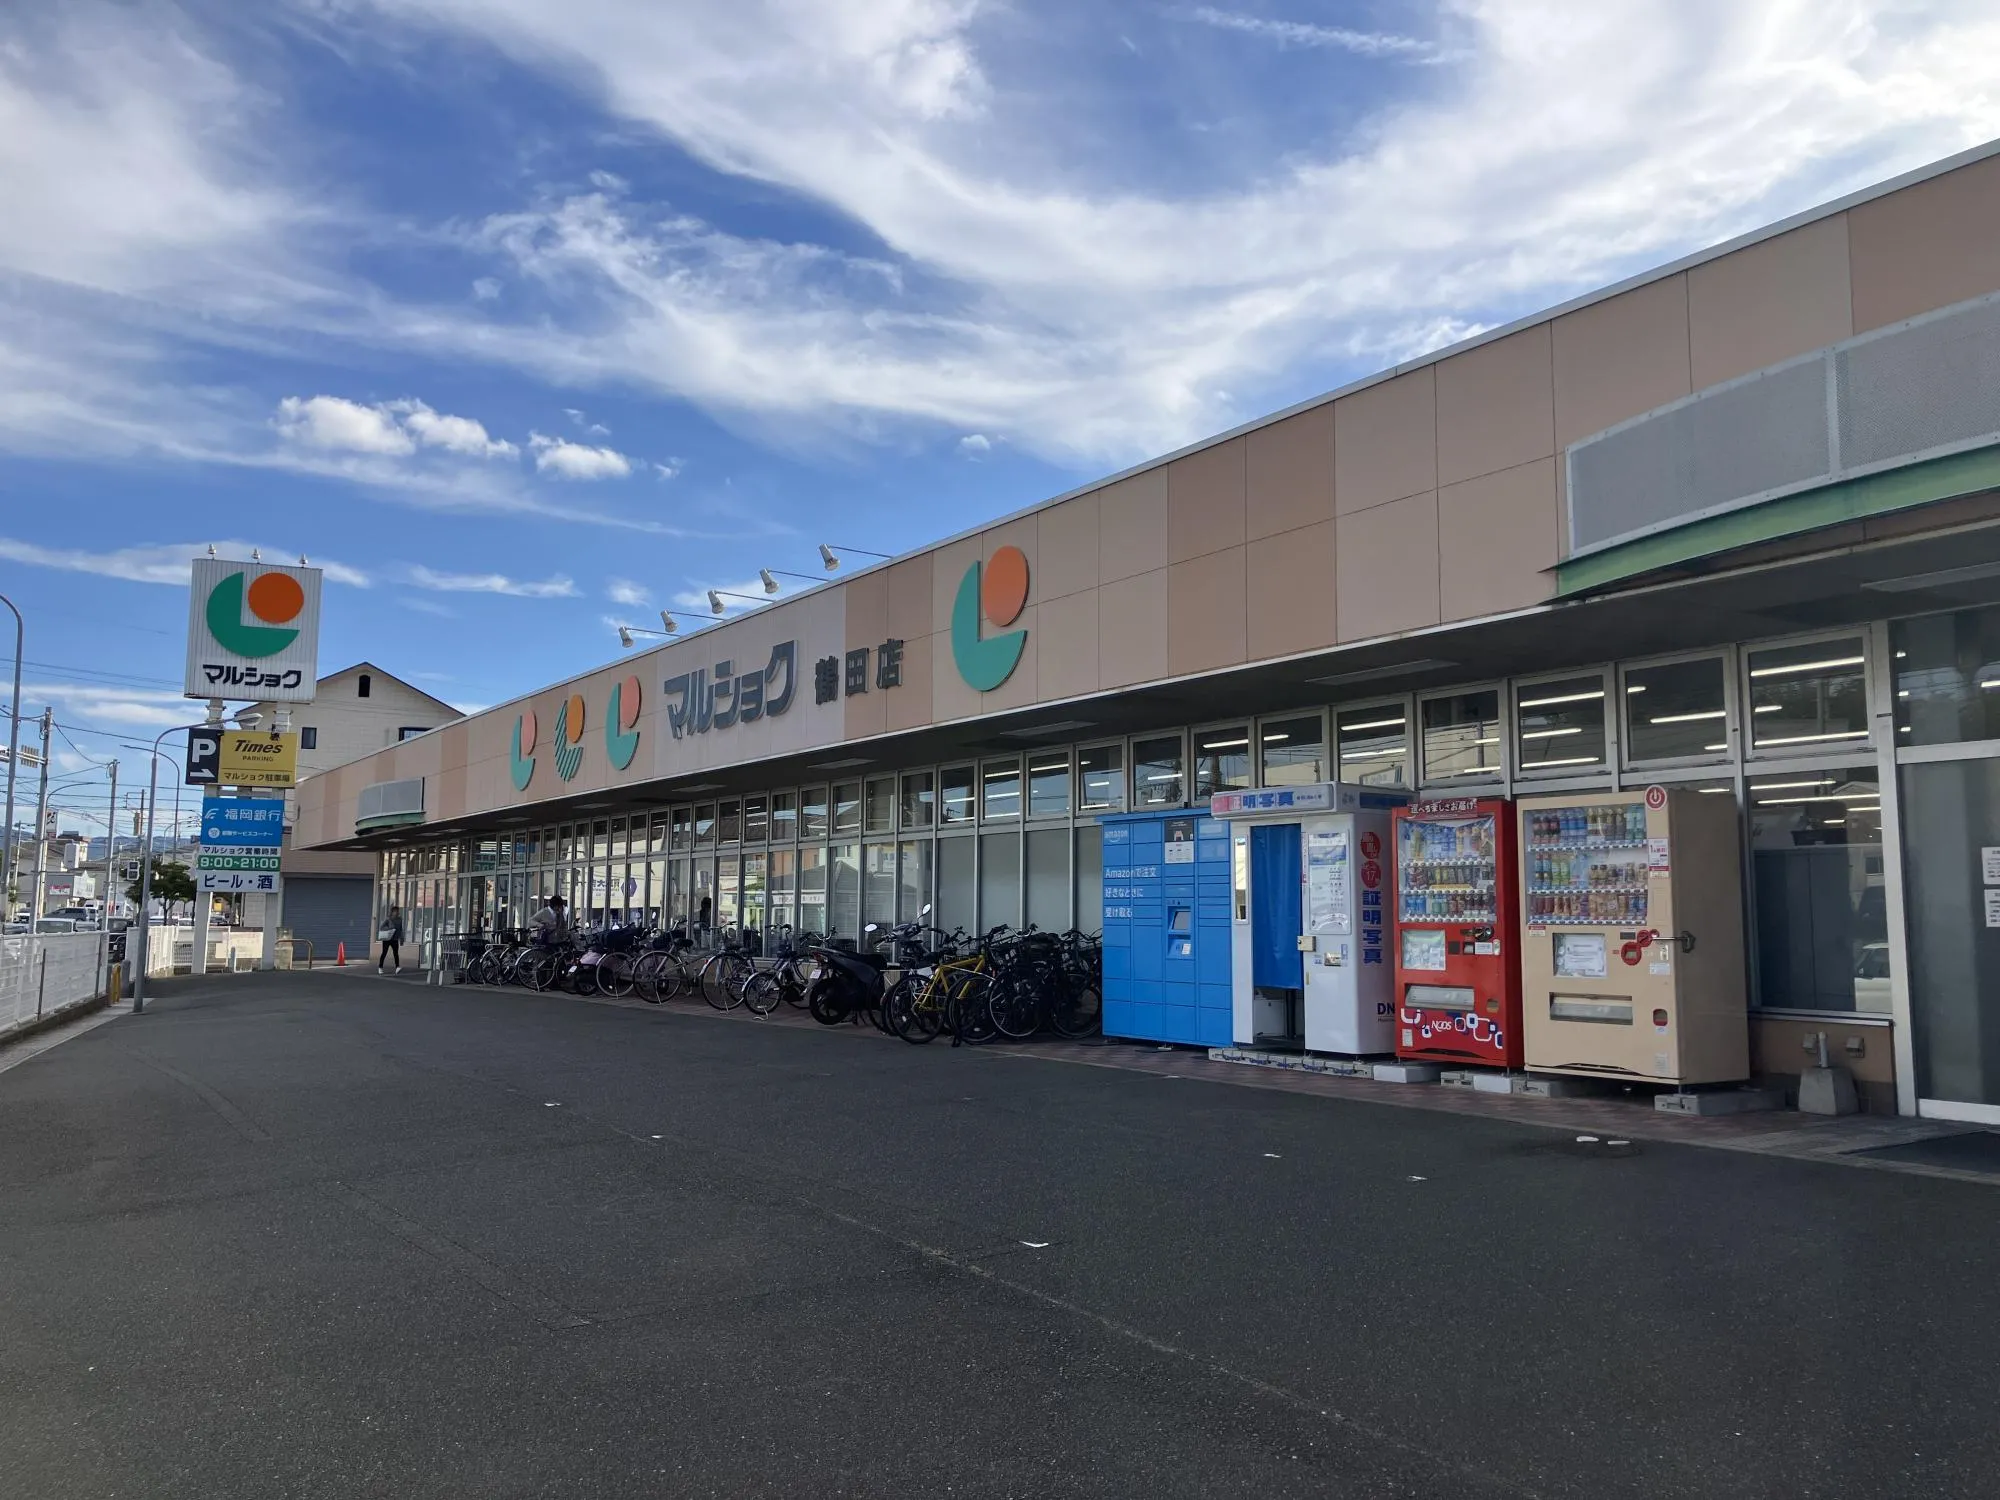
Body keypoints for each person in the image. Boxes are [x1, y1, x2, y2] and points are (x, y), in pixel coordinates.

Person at [377, 905, 404, 973]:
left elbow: (400, 929)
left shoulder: (400, 919)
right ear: (392, 912)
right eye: (395, 911)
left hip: (395, 939)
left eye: (397, 911)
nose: (397, 912)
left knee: (396, 953)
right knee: (384, 953)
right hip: (387, 939)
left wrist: (401, 938)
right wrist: (389, 928)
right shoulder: (388, 919)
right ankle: (380, 967)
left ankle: (397, 967)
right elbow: (381, 927)